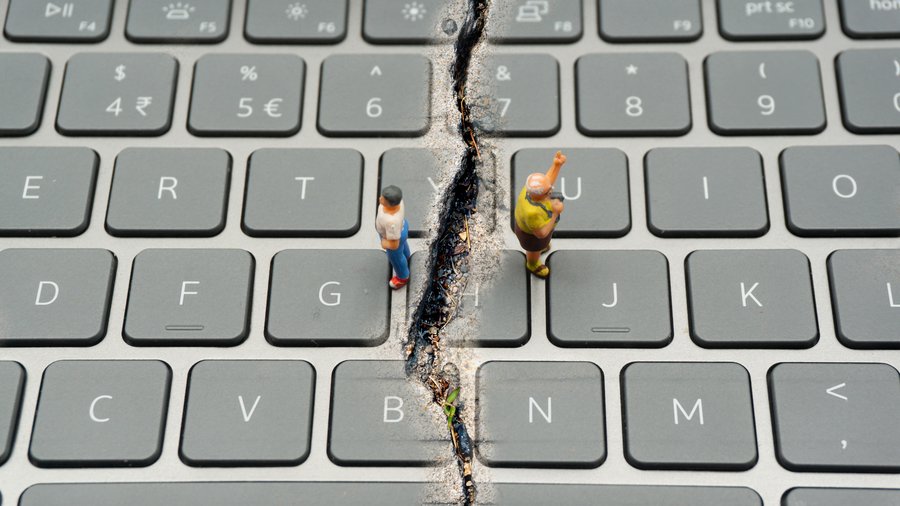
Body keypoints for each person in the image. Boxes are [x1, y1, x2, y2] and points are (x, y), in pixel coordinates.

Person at [513, 151, 567, 278]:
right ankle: (532, 264)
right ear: (540, 195)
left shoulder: (530, 190)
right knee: (534, 250)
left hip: (534, 228)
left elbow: (547, 182)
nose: (551, 191)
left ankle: (541, 249)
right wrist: (555, 213)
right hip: (531, 236)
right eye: (549, 192)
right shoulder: (532, 213)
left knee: (541, 245)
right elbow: (541, 233)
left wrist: (556, 165)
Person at [376, 185, 412, 289]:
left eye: (383, 199)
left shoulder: (391, 222)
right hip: (402, 226)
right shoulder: (399, 202)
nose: (380, 199)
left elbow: (394, 243)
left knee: (396, 257)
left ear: (391, 203)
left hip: (393, 237)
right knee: (404, 248)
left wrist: (384, 243)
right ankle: (407, 256)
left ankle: (402, 277)